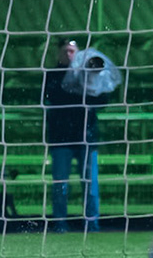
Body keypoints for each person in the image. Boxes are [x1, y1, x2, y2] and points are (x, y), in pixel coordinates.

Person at [42, 39, 121, 232]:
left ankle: (92, 223)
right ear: (59, 53)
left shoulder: (87, 75)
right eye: (66, 51)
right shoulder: (53, 75)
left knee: (90, 184)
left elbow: (102, 100)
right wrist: (79, 86)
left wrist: (91, 81)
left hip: (87, 136)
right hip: (61, 137)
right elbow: (54, 96)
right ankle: (60, 222)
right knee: (61, 183)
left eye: (73, 51)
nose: (70, 55)